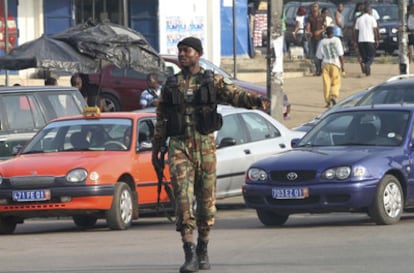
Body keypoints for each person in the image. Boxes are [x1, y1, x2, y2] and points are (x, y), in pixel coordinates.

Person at [152, 36, 269, 273]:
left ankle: (203, 249)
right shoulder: (171, 84)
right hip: (179, 147)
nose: (182, 55)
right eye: (180, 51)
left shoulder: (211, 81)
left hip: (205, 147)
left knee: (206, 203)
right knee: (183, 202)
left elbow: (235, 94)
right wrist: (157, 147)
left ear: (198, 54)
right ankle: (189, 252)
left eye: (187, 51)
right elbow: (162, 117)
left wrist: (256, 100)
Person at [316, 26, 345, 108]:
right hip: (335, 64)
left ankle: (328, 101)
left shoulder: (322, 42)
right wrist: (343, 66)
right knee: (336, 82)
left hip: (325, 65)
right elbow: (340, 54)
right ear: (333, 32)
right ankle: (333, 95)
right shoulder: (337, 40)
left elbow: (319, 57)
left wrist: (318, 69)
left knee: (326, 84)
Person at [354, 4, 379, 76]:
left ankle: (367, 70)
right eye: (370, 10)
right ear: (368, 10)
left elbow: (356, 31)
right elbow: (375, 30)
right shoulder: (372, 18)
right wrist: (377, 39)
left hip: (361, 40)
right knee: (371, 56)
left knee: (364, 56)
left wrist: (356, 41)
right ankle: (367, 65)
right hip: (370, 40)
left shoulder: (359, 19)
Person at [306, 2, 325, 76]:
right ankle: (318, 70)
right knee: (314, 55)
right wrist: (309, 32)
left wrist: (319, 31)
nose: (314, 8)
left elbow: (325, 27)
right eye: (313, 7)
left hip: (320, 37)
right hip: (313, 37)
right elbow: (308, 26)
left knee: (320, 54)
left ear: (318, 8)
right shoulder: (309, 17)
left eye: (316, 6)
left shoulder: (322, 17)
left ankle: (321, 69)